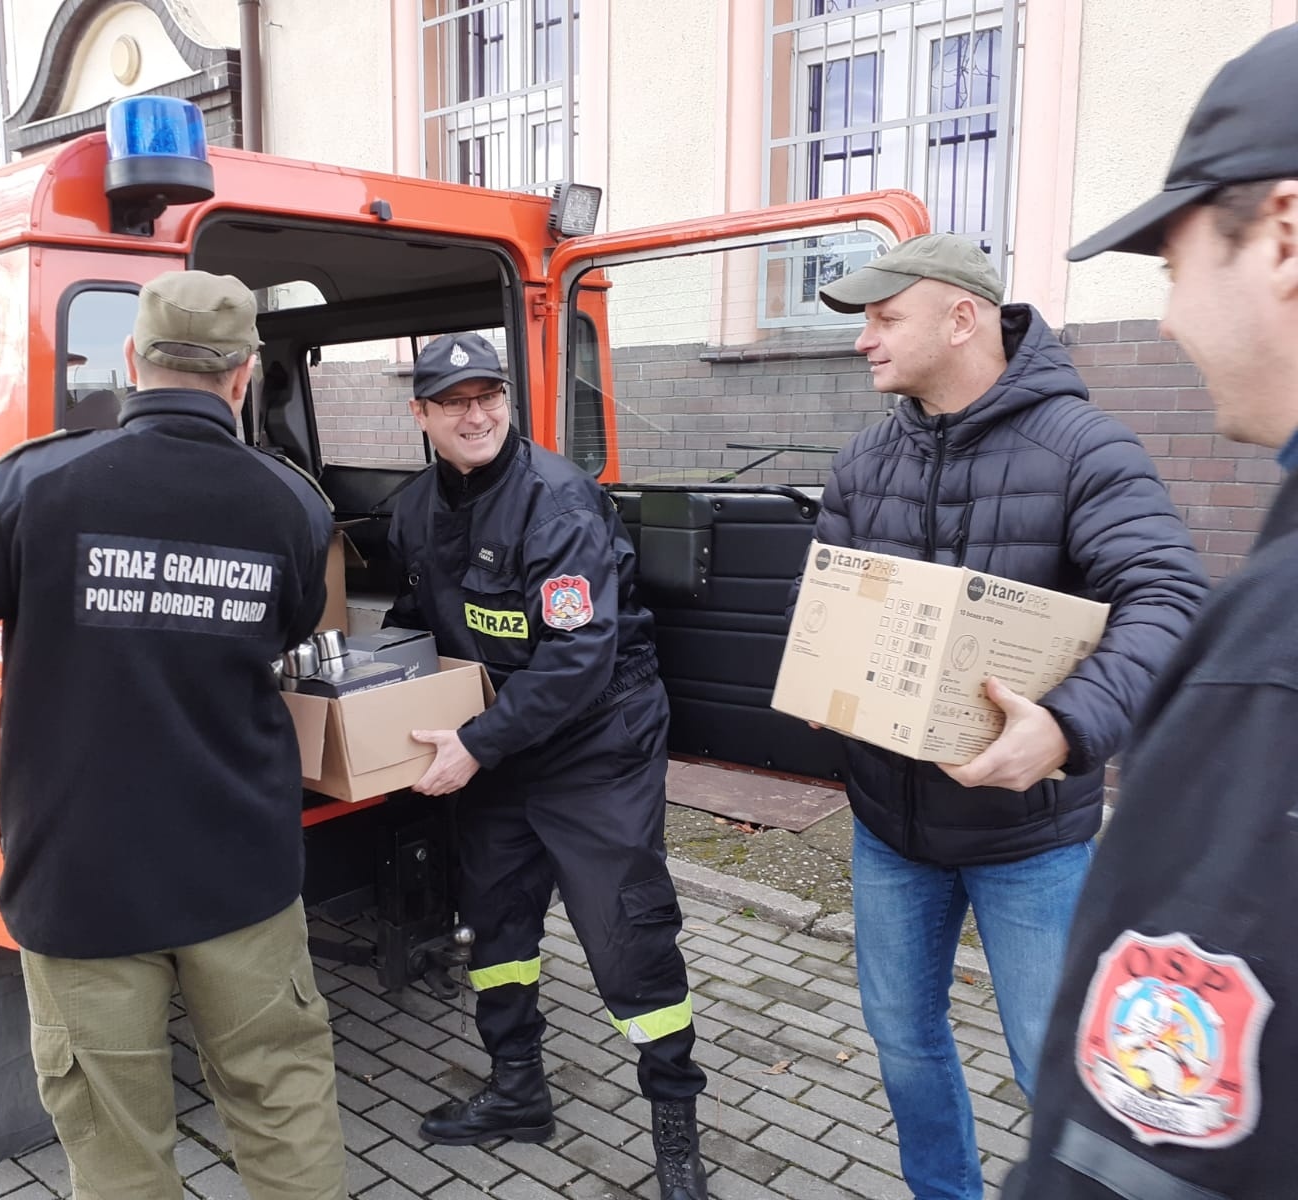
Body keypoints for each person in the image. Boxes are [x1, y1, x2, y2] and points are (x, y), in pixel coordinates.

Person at [0, 271, 347, 1200]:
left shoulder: (33, 486)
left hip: (80, 884)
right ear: (245, 377)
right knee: (283, 1107)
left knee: (118, 1152)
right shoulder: (292, 505)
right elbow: (287, 632)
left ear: (131, 360)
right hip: (239, 876)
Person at [805, 234, 1208, 1199]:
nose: (864, 341)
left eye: (883, 317)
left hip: (1031, 841)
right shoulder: (868, 456)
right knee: (903, 1044)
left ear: (962, 317)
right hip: (889, 829)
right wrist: (822, 669)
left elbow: (1170, 597)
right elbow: (823, 596)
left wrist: (1068, 725)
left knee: (1055, 1069)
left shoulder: (1084, 447)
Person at [1006, 26, 1298, 1199]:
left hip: (1016, 839)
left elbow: (1146, 1144)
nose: (1168, 320)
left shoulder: (1268, 652)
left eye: (1173, 262)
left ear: (1284, 235)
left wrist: (1069, 725)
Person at [384, 331, 710, 1200]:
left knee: (625, 934)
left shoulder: (555, 503)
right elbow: (418, 623)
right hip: (495, 747)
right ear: (421, 416)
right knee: (495, 922)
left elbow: (577, 660)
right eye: (452, 402)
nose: (475, 414)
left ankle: (676, 1137)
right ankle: (517, 1093)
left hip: (596, 744)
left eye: (488, 396)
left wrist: (475, 745)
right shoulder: (415, 508)